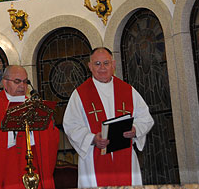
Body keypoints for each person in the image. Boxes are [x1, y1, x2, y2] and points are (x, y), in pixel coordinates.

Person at [63, 47, 154, 187]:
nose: (102, 68)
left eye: (106, 63)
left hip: (125, 156)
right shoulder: (80, 94)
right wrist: (92, 138)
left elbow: (146, 119)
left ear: (114, 64)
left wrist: (135, 130)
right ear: (90, 66)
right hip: (93, 158)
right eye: (97, 64)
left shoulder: (128, 90)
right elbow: (71, 125)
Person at [0, 65, 59, 189]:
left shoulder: (35, 106)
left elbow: (51, 134)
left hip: (33, 169)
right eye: (17, 81)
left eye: (25, 82)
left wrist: (41, 127)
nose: (22, 86)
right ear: (5, 83)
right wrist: (10, 126)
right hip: (7, 172)